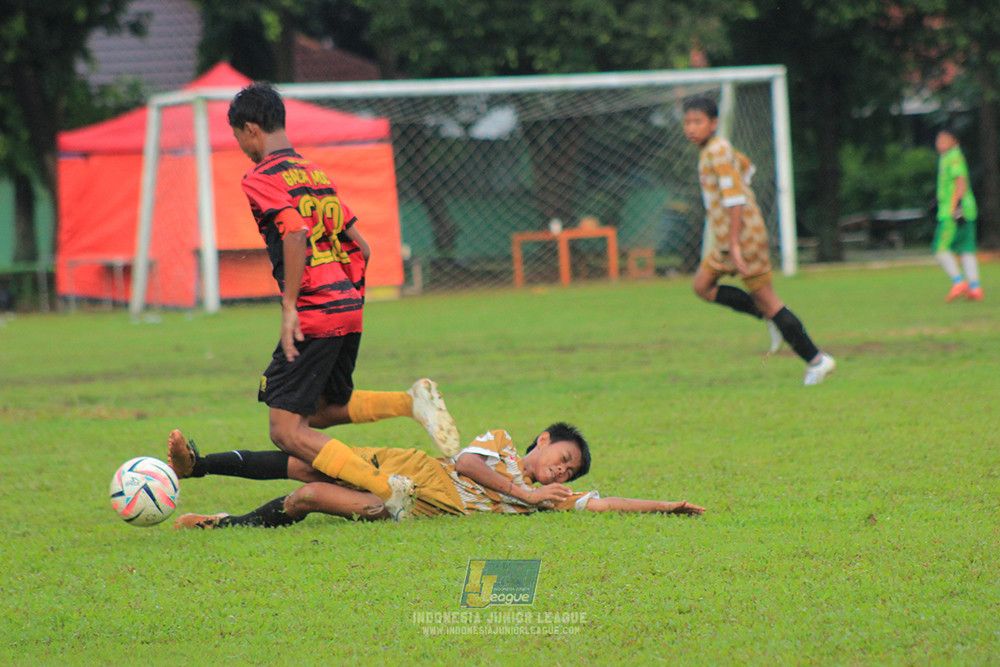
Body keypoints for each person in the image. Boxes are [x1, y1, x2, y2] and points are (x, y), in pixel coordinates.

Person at [224, 81, 459, 519]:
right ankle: (411, 403)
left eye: (238, 137)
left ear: (251, 129)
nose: (241, 147)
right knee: (320, 411)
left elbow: (295, 231)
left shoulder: (261, 178)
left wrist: (292, 305)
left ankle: (386, 489)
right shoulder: (313, 174)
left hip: (314, 312)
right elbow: (362, 247)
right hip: (347, 307)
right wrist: (348, 296)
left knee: (286, 431)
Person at [169, 423, 706, 528]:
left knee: (307, 496)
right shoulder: (500, 443)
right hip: (415, 468)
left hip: (415, 503)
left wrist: (667, 507)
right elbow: (467, 465)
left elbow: (605, 504)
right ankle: (200, 466)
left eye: (569, 470)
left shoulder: (551, 497)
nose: (562, 470)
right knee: (310, 462)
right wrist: (522, 491)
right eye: (563, 457)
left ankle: (222, 523)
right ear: (542, 441)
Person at [682, 96, 835, 386]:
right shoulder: (716, 150)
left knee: (771, 302)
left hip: (743, 241)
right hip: (727, 241)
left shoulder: (717, 151)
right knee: (702, 286)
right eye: (687, 122)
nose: (691, 127)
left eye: (698, 121)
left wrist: (735, 243)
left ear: (713, 124)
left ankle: (817, 360)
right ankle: (767, 317)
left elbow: (735, 198)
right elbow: (747, 168)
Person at [933, 127, 983, 302]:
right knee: (966, 249)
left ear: (954, 141)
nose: (939, 144)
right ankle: (975, 287)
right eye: (938, 140)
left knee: (941, 249)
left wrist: (956, 207)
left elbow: (960, 182)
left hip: (953, 212)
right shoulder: (951, 156)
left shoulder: (952, 157)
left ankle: (958, 282)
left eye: (943, 140)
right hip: (967, 210)